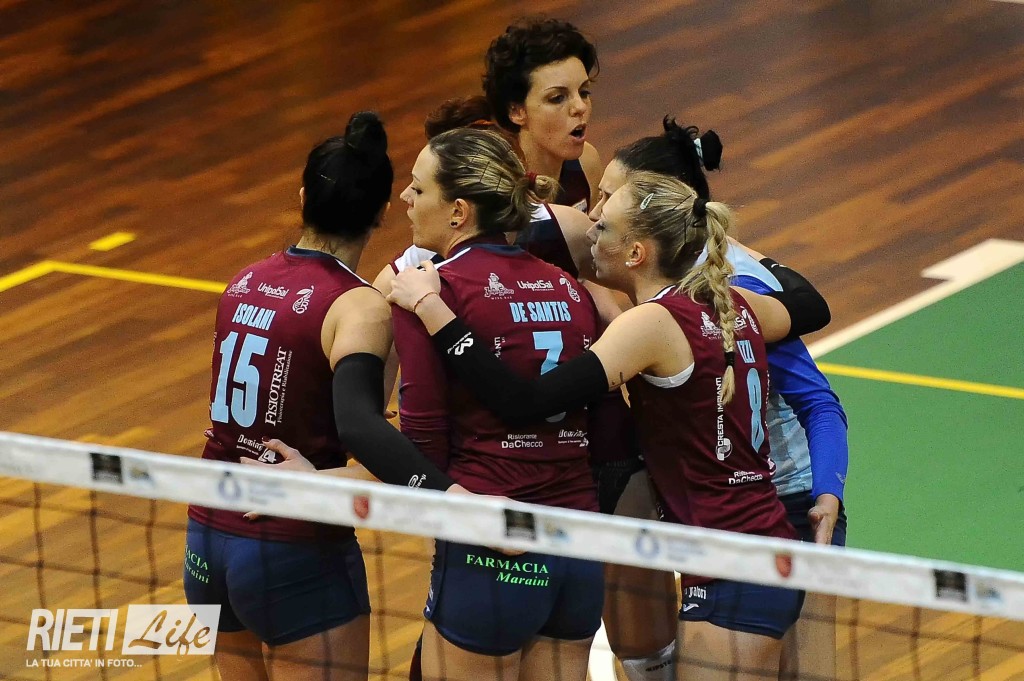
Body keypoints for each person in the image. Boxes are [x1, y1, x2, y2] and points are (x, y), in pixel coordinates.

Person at [389, 171, 832, 681]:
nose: (589, 234)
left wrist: (431, 307)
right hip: (760, 544)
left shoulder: (651, 325)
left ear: (636, 253)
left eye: (602, 229)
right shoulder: (735, 305)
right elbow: (807, 304)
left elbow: (523, 401)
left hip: (730, 567)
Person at [184, 112, 466, 681]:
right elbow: (360, 426)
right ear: (382, 212)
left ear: (303, 197)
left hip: (208, 537)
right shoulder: (357, 305)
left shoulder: (243, 281)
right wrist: (450, 497)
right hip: (294, 545)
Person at [592, 118, 848, 681]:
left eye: (609, 197)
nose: (594, 211)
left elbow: (820, 403)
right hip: (721, 510)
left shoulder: (728, 293)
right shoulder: (663, 285)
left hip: (787, 503)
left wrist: (827, 494)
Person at [393, 126, 606, 681]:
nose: (406, 198)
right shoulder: (568, 288)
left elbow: (423, 439)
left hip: (490, 550)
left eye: (419, 188)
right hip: (578, 543)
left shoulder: (429, 291)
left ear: (458, 211)